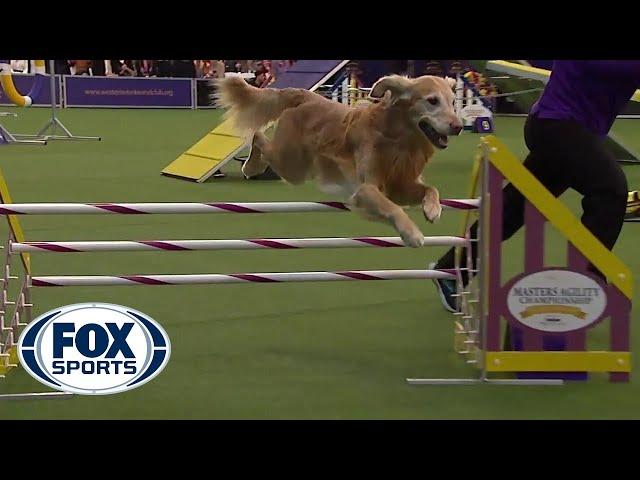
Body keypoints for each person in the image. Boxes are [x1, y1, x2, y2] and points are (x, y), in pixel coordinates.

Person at [432, 60, 640, 312]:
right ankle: (587, 285)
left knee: (515, 208)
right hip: (556, 126)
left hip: (572, 132)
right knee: (611, 191)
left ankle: (451, 270)